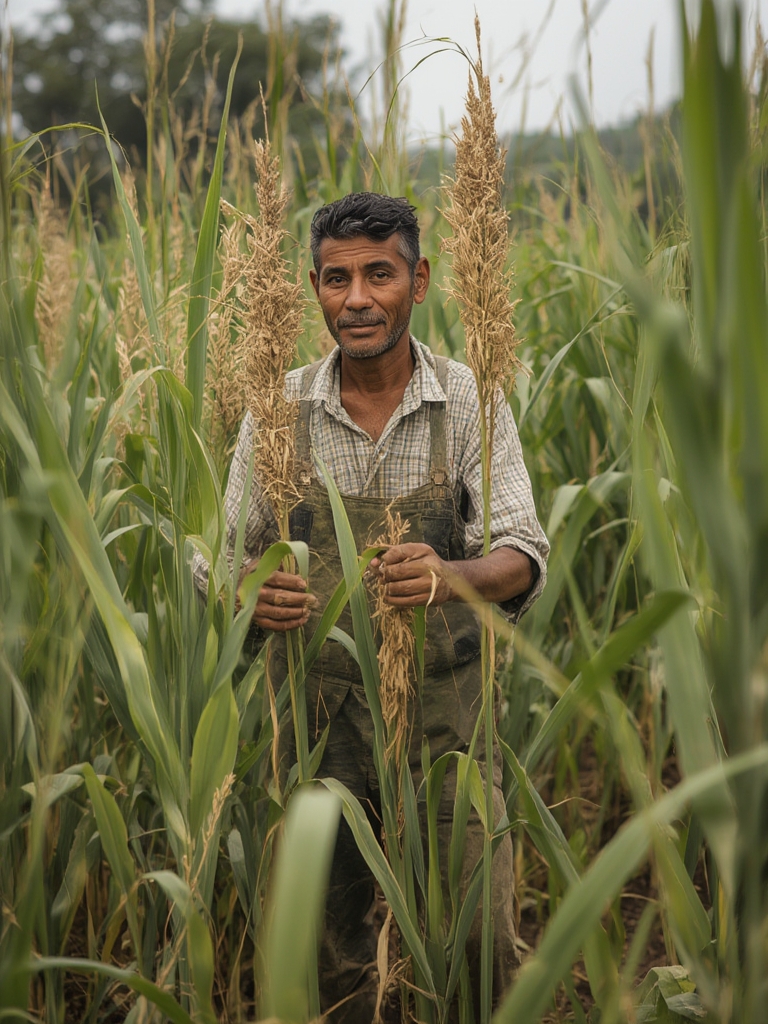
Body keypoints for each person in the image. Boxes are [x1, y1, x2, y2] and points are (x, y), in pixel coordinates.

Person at [202, 192, 549, 1020]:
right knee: (332, 954)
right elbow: (219, 565)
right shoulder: (277, 408)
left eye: (378, 275)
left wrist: (453, 575)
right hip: (317, 728)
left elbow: (524, 553)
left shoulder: (468, 399)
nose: (356, 298)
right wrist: (253, 588)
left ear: (418, 280)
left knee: (475, 937)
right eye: (336, 278)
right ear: (314, 289)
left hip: (445, 729)